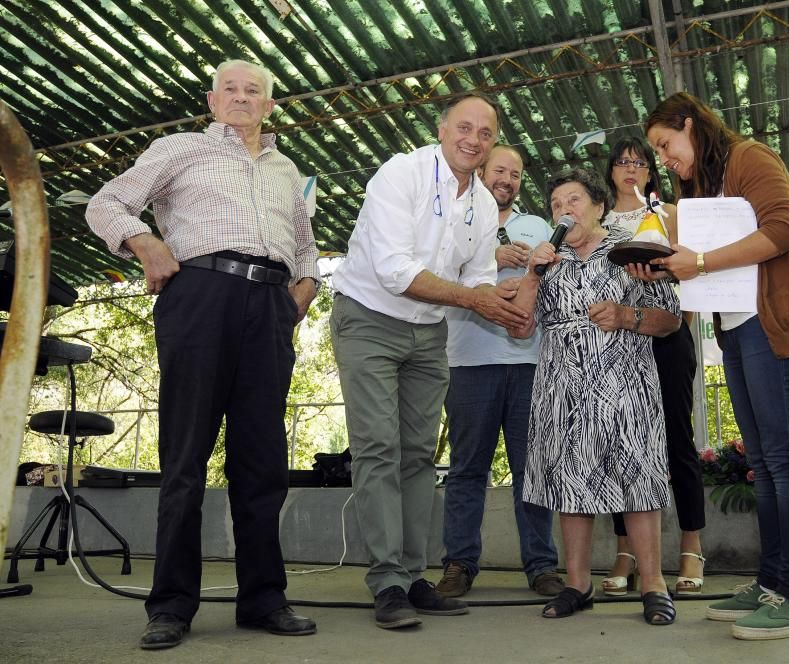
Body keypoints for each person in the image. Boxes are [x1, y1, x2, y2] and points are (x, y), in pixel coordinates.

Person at [86, 59, 320, 650]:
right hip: (200, 293)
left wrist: (304, 289)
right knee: (184, 454)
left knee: (262, 459)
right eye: (231, 90)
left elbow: (305, 246)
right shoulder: (180, 148)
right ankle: (170, 606)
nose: (242, 99)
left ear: (269, 107)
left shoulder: (286, 169)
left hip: (270, 306)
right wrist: (147, 244)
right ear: (212, 101)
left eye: (255, 92)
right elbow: (106, 203)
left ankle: (264, 598)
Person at [329, 93, 530, 630]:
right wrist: (478, 301)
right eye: (463, 128)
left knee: (418, 454)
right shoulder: (402, 174)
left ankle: (413, 576)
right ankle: (387, 580)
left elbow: (479, 274)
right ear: (442, 130)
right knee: (377, 447)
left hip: (428, 329)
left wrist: (505, 308)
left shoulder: (484, 205)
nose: (473, 140)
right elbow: (395, 270)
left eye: (485, 133)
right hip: (369, 317)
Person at [637, 91, 789, 641]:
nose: (664, 158)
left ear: (691, 125)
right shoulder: (696, 187)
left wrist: (696, 262)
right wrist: (670, 268)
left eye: (665, 144)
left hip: (780, 323)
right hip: (740, 328)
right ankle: (772, 583)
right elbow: (705, 265)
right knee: (764, 463)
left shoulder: (750, 158)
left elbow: (783, 231)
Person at [508, 168, 683, 626]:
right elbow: (519, 325)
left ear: (600, 206)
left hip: (626, 383)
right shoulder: (548, 261)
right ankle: (578, 584)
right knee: (570, 481)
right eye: (555, 204)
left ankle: (653, 584)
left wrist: (628, 315)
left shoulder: (631, 251)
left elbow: (671, 319)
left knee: (639, 480)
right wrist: (532, 273)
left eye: (574, 200)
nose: (564, 210)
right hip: (561, 387)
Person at [436, 145, 563, 598]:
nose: (506, 178)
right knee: (467, 469)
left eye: (515, 173)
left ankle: (542, 564)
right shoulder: (454, 218)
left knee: (534, 469)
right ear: (482, 171)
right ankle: (459, 564)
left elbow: (557, 282)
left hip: (530, 362)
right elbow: (436, 270)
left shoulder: (537, 226)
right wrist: (496, 255)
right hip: (468, 362)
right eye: (499, 170)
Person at [601, 137, 707, 597]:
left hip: (667, 335)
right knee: (619, 444)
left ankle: (691, 545)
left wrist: (679, 324)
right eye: (622, 162)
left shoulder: (672, 214)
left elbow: (696, 271)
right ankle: (626, 550)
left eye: (639, 162)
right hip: (615, 343)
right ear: (610, 171)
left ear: (650, 171)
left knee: (678, 441)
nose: (630, 169)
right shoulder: (598, 222)